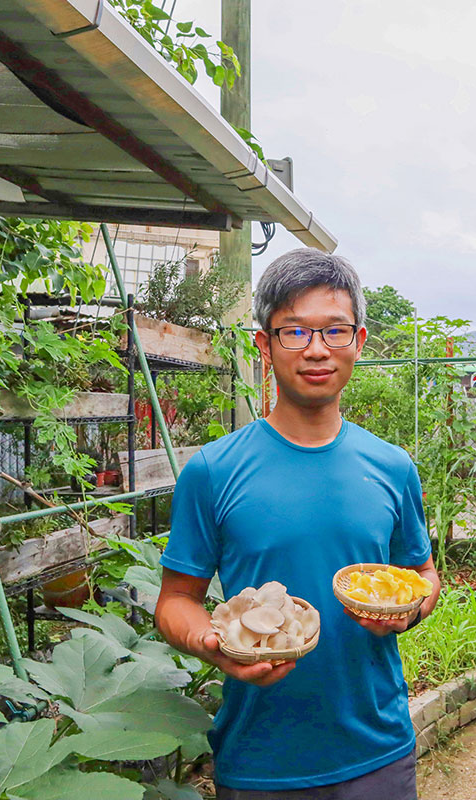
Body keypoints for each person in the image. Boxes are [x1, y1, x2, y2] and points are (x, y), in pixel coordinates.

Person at [155, 248, 441, 799]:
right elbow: (174, 601)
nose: (316, 350)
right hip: (260, 757)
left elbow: (422, 574)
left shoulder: (391, 467)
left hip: (377, 751)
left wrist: (410, 611)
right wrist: (214, 644)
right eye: (294, 332)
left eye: (335, 331)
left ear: (358, 342)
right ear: (264, 346)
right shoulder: (213, 471)